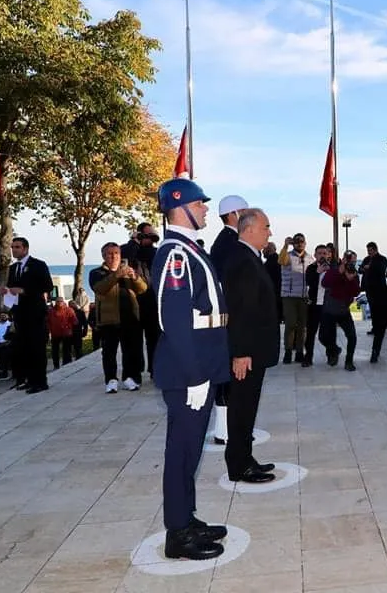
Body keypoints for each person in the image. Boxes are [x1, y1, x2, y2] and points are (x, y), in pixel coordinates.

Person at [151, 177, 229, 561]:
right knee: (181, 452)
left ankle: (186, 517)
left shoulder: (187, 248)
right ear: (179, 206)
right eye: (199, 204)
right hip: (189, 370)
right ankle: (177, 533)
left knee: (190, 451)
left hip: (201, 363)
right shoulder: (175, 254)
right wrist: (195, 374)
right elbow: (175, 319)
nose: (204, 210)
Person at [222, 208, 280, 483]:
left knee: (248, 407)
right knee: (241, 408)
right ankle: (239, 465)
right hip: (248, 351)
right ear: (250, 229)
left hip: (255, 348)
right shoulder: (242, 260)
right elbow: (241, 309)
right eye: (266, 227)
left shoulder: (249, 257)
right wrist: (241, 352)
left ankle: (245, 457)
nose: (270, 232)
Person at [208, 194, 250, 446]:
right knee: (228, 376)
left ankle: (229, 428)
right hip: (230, 318)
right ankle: (224, 430)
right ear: (233, 214)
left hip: (230, 315)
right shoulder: (230, 243)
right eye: (244, 211)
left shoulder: (228, 241)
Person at [89, 243, 147, 393]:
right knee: (109, 351)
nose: (113, 256)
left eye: (116, 253)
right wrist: (116, 275)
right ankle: (111, 379)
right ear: (103, 256)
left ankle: (129, 377)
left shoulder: (128, 271)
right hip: (109, 319)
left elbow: (142, 289)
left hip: (130, 317)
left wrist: (135, 278)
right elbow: (100, 288)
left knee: (130, 350)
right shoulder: (97, 273)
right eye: (109, 253)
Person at [0, 237, 53, 393]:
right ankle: (28, 379)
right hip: (20, 313)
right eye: (12, 247)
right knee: (24, 348)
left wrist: (25, 291)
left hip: (35, 312)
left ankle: (40, 381)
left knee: (36, 348)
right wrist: (5, 290)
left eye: (17, 247)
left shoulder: (38, 265)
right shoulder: (14, 267)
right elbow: (11, 287)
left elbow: (47, 285)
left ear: (25, 248)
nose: (14, 250)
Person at [121, 222, 161, 382]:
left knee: (155, 339)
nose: (149, 238)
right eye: (146, 235)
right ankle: (134, 373)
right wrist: (135, 241)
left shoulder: (155, 252)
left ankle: (156, 370)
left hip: (152, 301)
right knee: (134, 342)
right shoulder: (129, 249)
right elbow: (125, 257)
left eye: (151, 235)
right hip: (134, 301)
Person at [320, 250, 361, 371]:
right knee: (323, 337)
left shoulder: (354, 274)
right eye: (349, 261)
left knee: (352, 337)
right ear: (343, 260)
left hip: (343, 311)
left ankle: (349, 361)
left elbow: (356, 292)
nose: (350, 263)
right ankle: (334, 351)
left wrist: (351, 279)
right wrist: (339, 272)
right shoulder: (334, 270)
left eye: (353, 261)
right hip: (329, 310)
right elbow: (325, 283)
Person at [277, 233, 309, 364]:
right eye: (297, 242)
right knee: (290, 324)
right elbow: (280, 261)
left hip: (304, 297)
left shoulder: (309, 258)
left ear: (305, 243)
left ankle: (300, 351)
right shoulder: (288, 256)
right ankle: (288, 351)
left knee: (302, 326)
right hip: (289, 296)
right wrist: (285, 245)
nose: (299, 244)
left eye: (301, 241)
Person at [358, 242, 387, 336]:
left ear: (375, 249)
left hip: (379, 289)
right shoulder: (366, 259)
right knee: (373, 309)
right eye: (368, 250)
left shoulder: (382, 259)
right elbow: (360, 270)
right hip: (369, 289)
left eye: (371, 250)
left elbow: (382, 270)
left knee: (380, 310)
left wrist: (370, 267)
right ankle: (375, 328)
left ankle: (380, 328)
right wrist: (363, 269)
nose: (369, 252)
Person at [46, 298, 76, 369]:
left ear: (63, 302)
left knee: (67, 350)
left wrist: (69, 327)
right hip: (55, 334)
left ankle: (67, 364)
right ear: (55, 302)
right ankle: (56, 365)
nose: (59, 303)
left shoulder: (69, 310)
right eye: (58, 301)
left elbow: (74, 320)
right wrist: (49, 330)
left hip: (66, 333)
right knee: (55, 351)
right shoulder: (51, 311)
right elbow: (47, 321)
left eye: (61, 301)